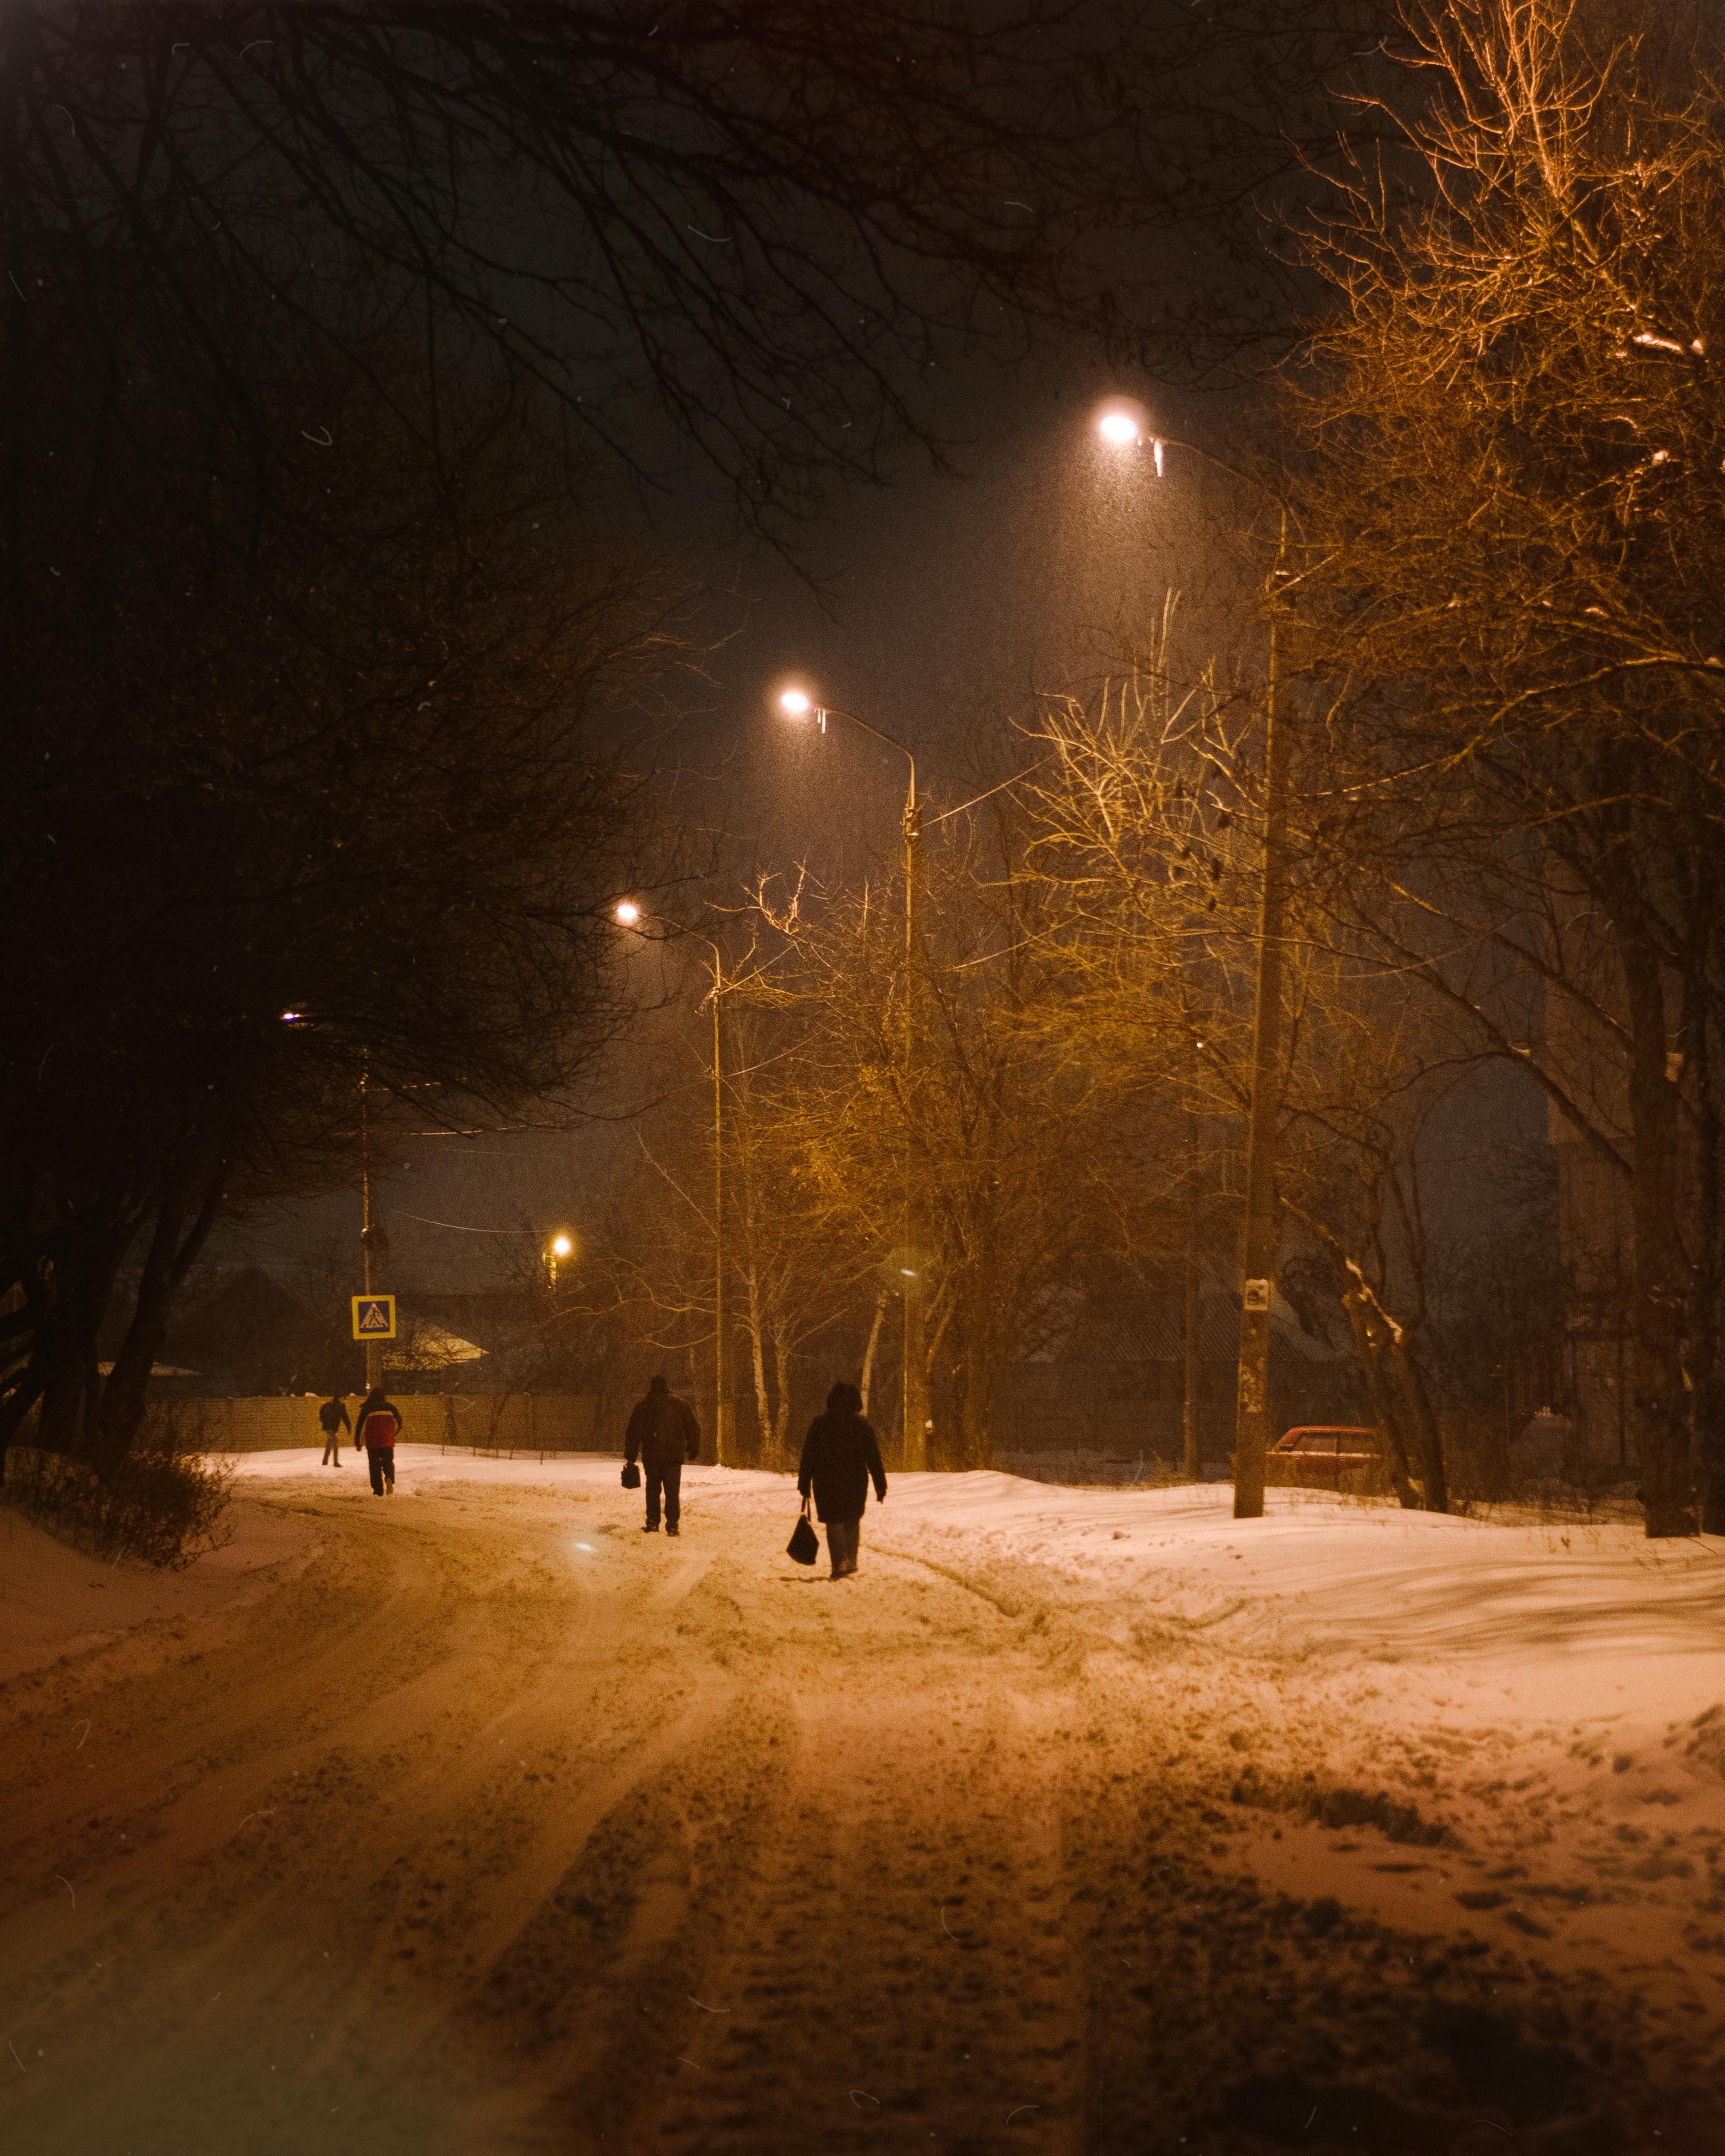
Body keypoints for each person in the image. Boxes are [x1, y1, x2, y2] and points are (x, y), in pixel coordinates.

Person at [798, 1380, 887, 1579]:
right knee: (852, 1519)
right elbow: (873, 1458)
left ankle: (840, 1563)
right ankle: (851, 1560)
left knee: (834, 1520)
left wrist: (804, 1484)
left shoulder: (820, 1424)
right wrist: (881, 1486)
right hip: (855, 1480)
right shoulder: (862, 1426)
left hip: (826, 1481)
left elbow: (809, 1456)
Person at [624, 1374, 701, 1535]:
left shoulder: (643, 1406)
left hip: (652, 1456)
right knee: (672, 1490)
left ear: (652, 1387)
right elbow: (693, 1427)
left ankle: (653, 1522)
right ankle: (672, 1525)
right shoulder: (680, 1404)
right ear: (667, 1386)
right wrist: (693, 1448)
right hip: (674, 1456)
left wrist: (631, 1457)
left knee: (653, 1489)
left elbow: (633, 1433)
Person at [353, 1386, 404, 1496]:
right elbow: (399, 1422)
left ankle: (378, 1490)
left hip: (373, 1443)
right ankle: (389, 1478)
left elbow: (360, 1427)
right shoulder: (390, 1407)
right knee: (388, 1462)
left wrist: (358, 1442)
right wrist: (392, 1434)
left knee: (374, 1466)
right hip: (388, 1441)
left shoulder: (367, 1409)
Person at [317, 1394, 351, 1467]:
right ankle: (335, 1462)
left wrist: (325, 1422)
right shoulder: (340, 1407)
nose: (343, 1400)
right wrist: (349, 1428)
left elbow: (321, 1416)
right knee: (335, 1442)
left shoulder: (329, 1405)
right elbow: (346, 1418)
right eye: (343, 1398)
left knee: (330, 1444)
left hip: (328, 1427)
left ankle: (325, 1461)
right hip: (330, 1428)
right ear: (339, 1398)